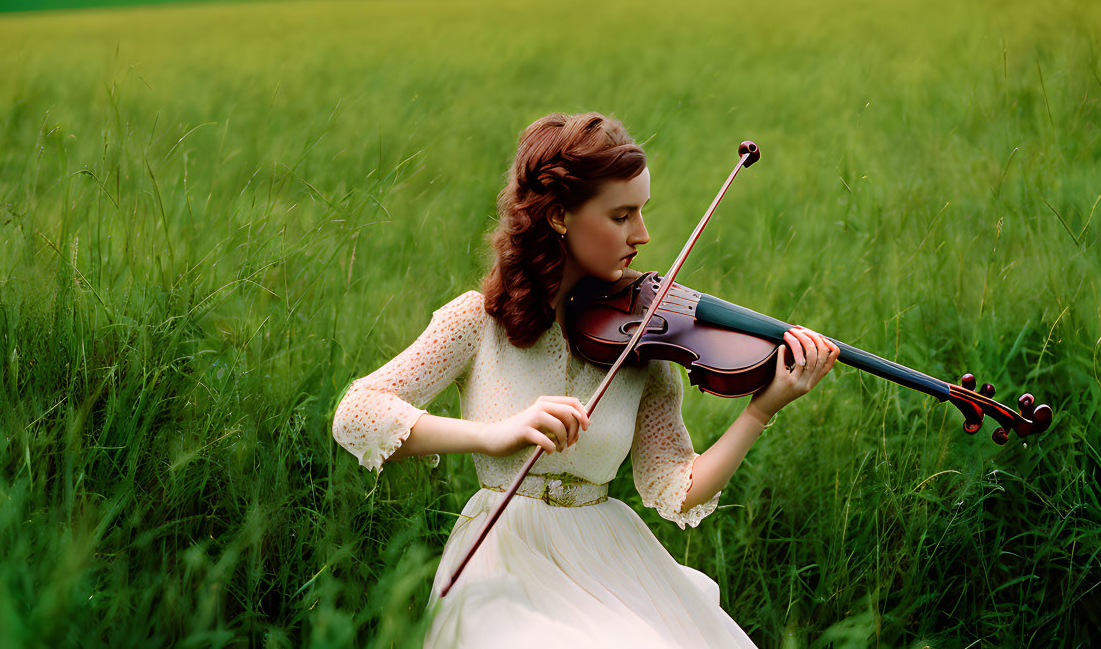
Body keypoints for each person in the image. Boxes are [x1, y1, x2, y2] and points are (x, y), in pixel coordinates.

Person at [331, 112, 839, 648]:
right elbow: (357, 411)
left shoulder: (643, 339)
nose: (642, 235)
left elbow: (676, 488)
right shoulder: (477, 323)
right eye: (622, 215)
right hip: (504, 558)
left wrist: (761, 409)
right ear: (558, 217)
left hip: (607, 558)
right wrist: (495, 434)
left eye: (641, 212)